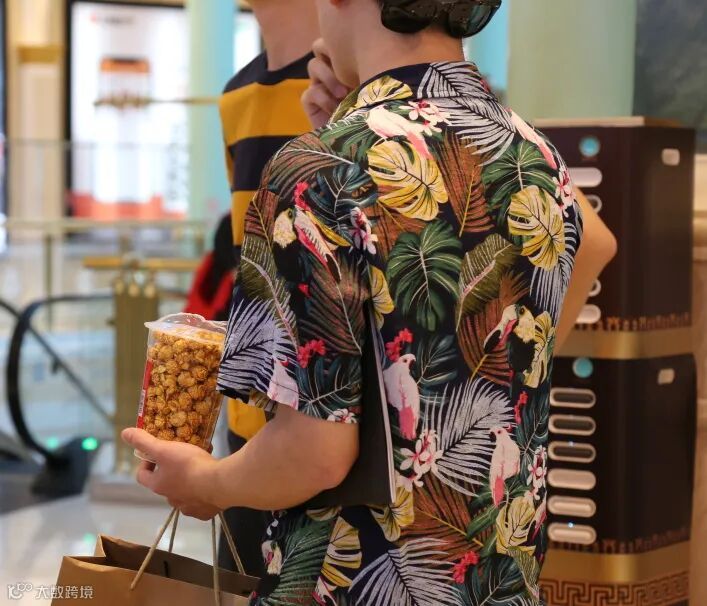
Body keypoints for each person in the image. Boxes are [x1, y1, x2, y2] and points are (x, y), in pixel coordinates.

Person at [123, 0, 617, 603]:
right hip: (500, 576)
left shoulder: (316, 171)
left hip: (359, 579)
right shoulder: (533, 154)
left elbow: (315, 454)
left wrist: (207, 483)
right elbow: (588, 253)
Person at [214, 0, 333, 576]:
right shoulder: (236, 94)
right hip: (249, 422)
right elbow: (251, 256)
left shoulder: (347, 82)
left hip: (331, 425)